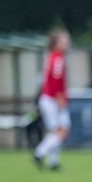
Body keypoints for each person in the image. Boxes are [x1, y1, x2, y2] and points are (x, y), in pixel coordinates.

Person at [33, 30, 71, 170]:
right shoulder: (57, 59)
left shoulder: (54, 58)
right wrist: (60, 98)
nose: (67, 43)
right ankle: (39, 153)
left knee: (59, 130)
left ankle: (53, 162)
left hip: (51, 98)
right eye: (64, 40)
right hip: (52, 99)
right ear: (56, 43)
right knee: (61, 131)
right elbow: (55, 80)